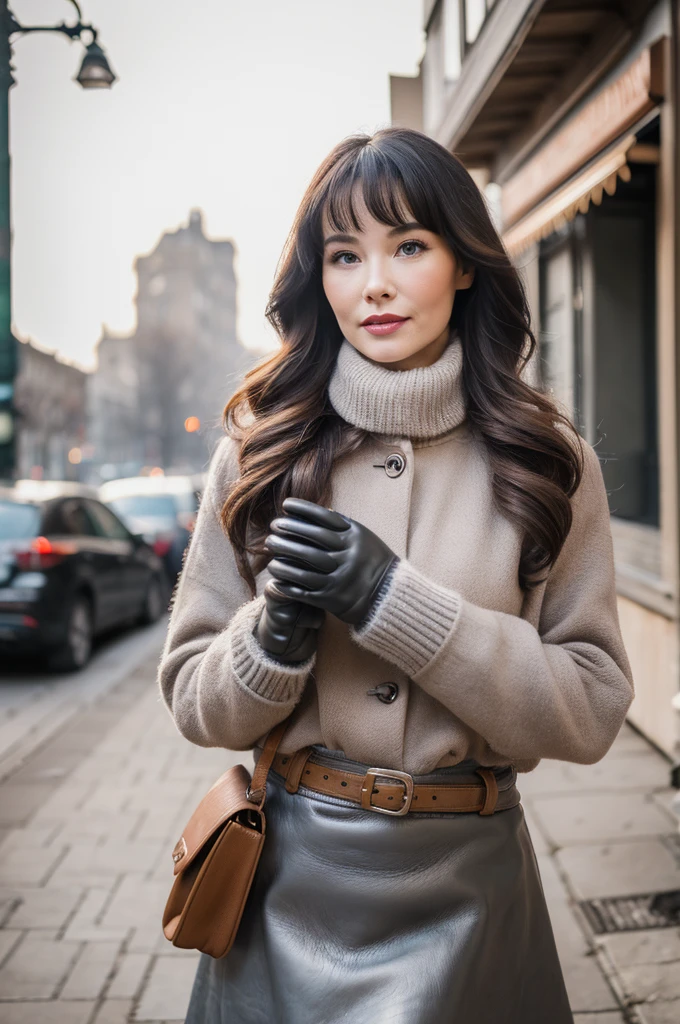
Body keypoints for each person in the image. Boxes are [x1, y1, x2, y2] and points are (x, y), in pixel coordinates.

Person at [158, 127, 634, 1024]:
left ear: (463, 262)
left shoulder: (548, 460)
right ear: (318, 277)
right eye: (344, 255)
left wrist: (393, 603)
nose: (372, 282)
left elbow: (595, 704)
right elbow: (193, 701)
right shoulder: (260, 453)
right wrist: (273, 638)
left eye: (408, 246)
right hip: (290, 887)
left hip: (474, 891)